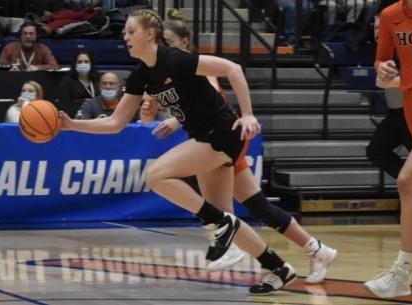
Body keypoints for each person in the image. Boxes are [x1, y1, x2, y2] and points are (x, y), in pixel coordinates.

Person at [59, 9, 297, 294]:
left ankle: (222, 225)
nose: (125, 37)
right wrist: (72, 124)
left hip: (223, 132)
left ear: (149, 34)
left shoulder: (175, 58)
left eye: (131, 32)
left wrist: (247, 114)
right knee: (223, 217)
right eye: (125, 33)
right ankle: (278, 267)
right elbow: (114, 123)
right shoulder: (140, 77)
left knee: (156, 175)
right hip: (203, 137)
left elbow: (232, 69)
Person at [140, 8, 337, 283]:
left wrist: (174, 121)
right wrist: (151, 108)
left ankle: (302, 254)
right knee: (256, 207)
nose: (165, 47)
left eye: (170, 42)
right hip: (207, 138)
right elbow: (168, 101)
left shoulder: (191, 64)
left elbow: (213, 93)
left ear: (184, 42)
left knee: (229, 214)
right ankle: (309, 252)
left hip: (221, 136)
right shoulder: (164, 69)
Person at [363, 0, 412, 299]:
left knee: (407, 180)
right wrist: (384, 70)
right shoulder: (390, 15)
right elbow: (380, 61)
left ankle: (401, 272)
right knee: (409, 181)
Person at [366, 0, 412, 185]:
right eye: (376, 27)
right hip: (396, 114)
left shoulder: (406, 47)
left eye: (381, 27)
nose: (378, 31)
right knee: (376, 151)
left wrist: (395, 82)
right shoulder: (383, 51)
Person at [57, 50, 101, 117]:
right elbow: (64, 104)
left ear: (91, 64)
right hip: (76, 116)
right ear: (75, 64)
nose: (83, 64)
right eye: (80, 62)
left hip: (96, 115)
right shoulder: (67, 80)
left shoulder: (97, 79)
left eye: (86, 62)